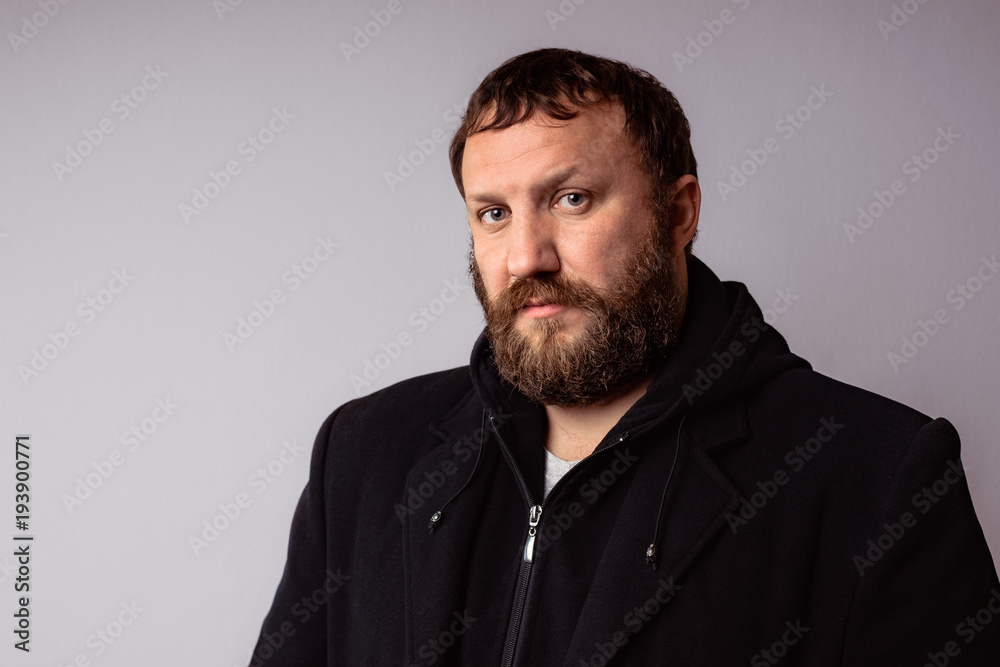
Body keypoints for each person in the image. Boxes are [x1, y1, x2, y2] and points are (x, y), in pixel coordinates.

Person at [249, 48, 1000, 666]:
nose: (525, 257)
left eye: (571, 198)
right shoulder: (364, 455)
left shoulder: (877, 475)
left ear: (679, 213)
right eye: (494, 213)